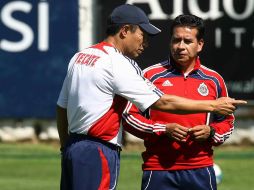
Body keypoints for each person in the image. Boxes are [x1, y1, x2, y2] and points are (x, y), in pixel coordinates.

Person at [56, 4, 245, 190]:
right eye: (142, 35)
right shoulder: (119, 63)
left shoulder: (81, 56)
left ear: (200, 44)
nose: (144, 42)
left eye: (187, 41)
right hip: (101, 151)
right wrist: (211, 106)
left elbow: (61, 107)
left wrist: (66, 147)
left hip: (74, 147)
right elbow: (162, 102)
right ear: (125, 31)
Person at [122, 14, 236, 190]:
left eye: (187, 41)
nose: (180, 46)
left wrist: (211, 132)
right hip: (158, 169)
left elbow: (227, 122)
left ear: (200, 45)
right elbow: (129, 116)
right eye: (176, 40)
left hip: (201, 169)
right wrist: (163, 129)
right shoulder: (150, 76)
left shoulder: (214, 80)